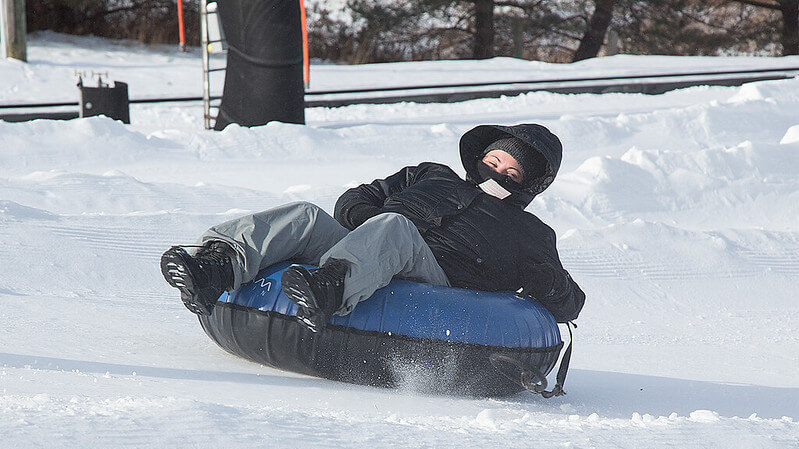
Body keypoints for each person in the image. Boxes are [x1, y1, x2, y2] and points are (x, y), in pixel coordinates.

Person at [160, 123, 585, 332]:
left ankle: (327, 291)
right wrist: (367, 220)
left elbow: (569, 303)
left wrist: (546, 278)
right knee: (307, 215)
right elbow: (353, 200)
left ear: (527, 184)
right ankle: (213, 268)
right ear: (481, 159)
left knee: (396, 227)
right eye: (494, 161)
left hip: (433, 279)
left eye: (511, 172)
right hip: (370, 246)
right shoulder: (431, 175)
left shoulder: (530, 231)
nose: (498, 172)